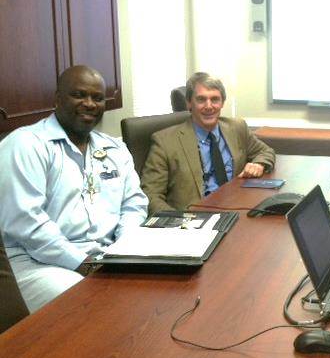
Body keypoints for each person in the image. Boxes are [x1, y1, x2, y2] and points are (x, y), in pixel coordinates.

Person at [0, 65, 148, 312]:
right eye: (79, 95)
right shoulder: (26, 145)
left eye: (97, 98)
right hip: (38, 263)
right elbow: (27, 223)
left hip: (105, 255)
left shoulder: (114, 149)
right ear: (57, 99)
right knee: (96, 303)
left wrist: (124, 250)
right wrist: (85, 263)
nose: (89, 104)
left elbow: (134, 203)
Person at [141, 72, 276, 214]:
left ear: (222, 103)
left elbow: (265, 151)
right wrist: (178, 222)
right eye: (201, 99)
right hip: (194, 217)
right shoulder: (165, 141)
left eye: (215, 99)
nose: (209, 106)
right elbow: (150, 195)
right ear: (189, 103)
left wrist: (259, 164)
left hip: (236, 208)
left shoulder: (237, 128)